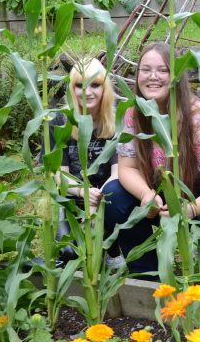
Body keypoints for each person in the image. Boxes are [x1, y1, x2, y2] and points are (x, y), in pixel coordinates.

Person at [103, 42, 200, 275]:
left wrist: (190, 209)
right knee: (114, 195)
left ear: (176, 76)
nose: (153, 77)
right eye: (146, 70)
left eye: (163, 70)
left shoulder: (199, 118)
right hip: (161, 189)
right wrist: (146, 195)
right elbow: (127, 168)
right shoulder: (132, 115)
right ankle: (144, 273)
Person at [41, 58, 120, 263]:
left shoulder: (117, 121)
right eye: (79, 86)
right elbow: (60, 174)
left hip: (106, 198)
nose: (87, 92)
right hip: (71, 198)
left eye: (95, 85)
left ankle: (112, 250)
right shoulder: (58, 122)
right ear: (71, 88)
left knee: (105, 257)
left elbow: (118, 172)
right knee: (69, 255)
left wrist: (96, 199)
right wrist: (83, 192)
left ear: (105, 88)